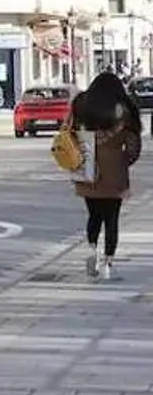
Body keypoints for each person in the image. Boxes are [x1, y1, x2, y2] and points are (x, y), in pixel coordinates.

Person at [71, 71, 142, 280]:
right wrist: (123, 161)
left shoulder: (81, 103)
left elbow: (70, 132)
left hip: (87, 166)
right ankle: (107, 265)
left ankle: (91, 251)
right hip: (114, 171)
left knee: (94, 215)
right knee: (112, 219)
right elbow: (132, 145)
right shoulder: (123, 108)